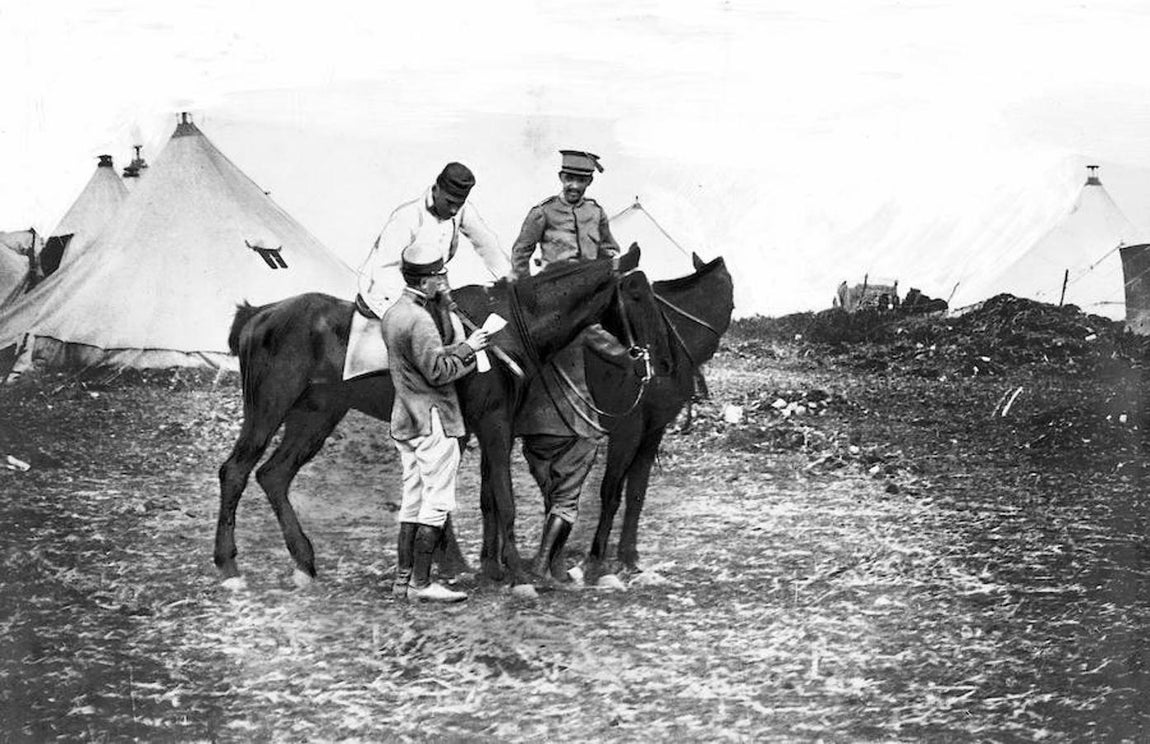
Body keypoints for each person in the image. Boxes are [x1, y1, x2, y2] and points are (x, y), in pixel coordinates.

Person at [509, 149, 636, 587]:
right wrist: (532, 298)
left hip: (589, 302)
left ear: (589, 183)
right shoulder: (543, 213)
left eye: (580, 180)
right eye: (567, 178)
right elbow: (519, 256)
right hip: (553, 300)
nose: (573, 186)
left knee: (620, 330)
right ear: (560, 177)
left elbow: (610, 249)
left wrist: (607, 268)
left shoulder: (597, 213)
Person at [382, 247, 491, 603]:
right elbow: (437, 371)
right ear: (426, 279)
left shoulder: (393, 313)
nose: (441, 282)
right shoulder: (421, 320)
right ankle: (422, 583)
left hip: (405, 418)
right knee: (437, 502)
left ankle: (403, 581)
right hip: (434, 420)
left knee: (411, 499)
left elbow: (418, 362)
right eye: (438, 277)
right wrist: (470, 351)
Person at [358, 162, 511, 320]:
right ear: (436, 189)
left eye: (459, 205)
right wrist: (413, 308)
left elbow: (487, 245)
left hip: (427, 288)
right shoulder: (407, 217)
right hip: (383, 291)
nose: (453, 210)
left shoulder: (461, 210)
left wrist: (511, 282)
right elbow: (386, 269)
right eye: (449, 202)